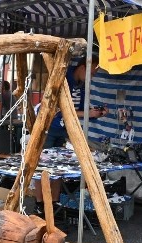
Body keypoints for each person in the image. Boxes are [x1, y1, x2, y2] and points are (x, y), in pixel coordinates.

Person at [33, 55, 108, 216]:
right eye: (91, 74)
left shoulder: (81, 85)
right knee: (42, 165)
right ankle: (39, 203)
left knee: (59, 167)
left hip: (63, 128)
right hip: (49, 125)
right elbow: (59, 107)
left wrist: (94, 112)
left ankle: (54, 202)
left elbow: (78, 111)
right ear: (82, 67)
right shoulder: (63, 78)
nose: (92, 78)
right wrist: (89, 113)